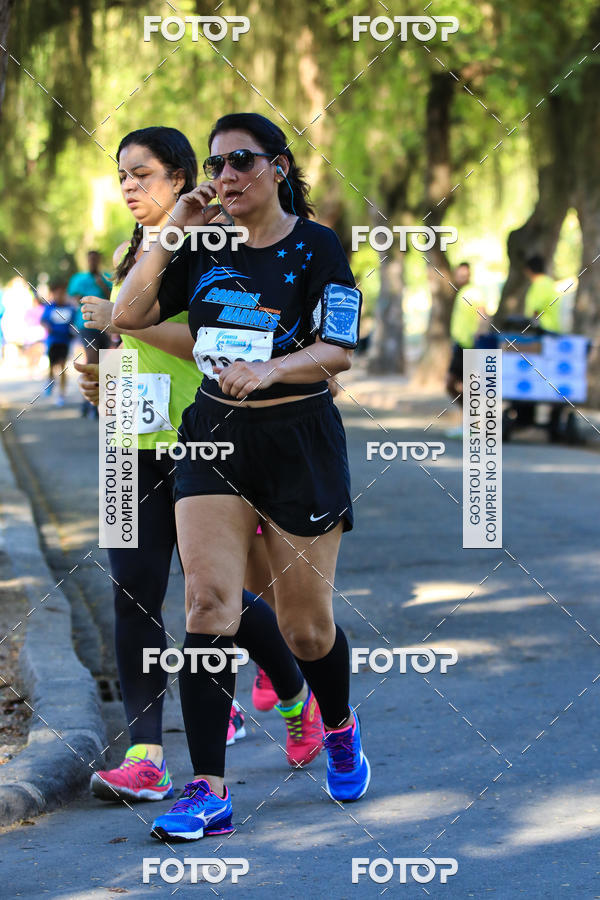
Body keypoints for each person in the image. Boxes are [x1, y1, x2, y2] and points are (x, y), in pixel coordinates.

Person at [113, 112, 370, 843]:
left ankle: (339, 724)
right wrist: (172, 233)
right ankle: (210, 790)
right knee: (208, 603)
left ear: (278, 167)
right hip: (213, 435)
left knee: (304, 628)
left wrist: (271, 369)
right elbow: (128, 313)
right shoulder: (202, 245)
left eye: (241, 162)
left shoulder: (317, 245)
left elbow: (339, 349)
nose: (225, 177)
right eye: (216, 165)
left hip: (299, 440)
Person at [76, 127, 323, 806]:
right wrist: (99, 376)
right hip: (128, 440)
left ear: (181, 178)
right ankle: (146, 756)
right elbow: (121, 340)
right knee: (132, 591)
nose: (129, 187)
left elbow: (214, 342)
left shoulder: (216, 240)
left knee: (214, 597)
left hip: (204, 438)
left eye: (143, 174)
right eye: (122, 175)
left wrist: (124, 322)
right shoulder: (134, 249)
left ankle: (297, 696)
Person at [68, 250, 113, 416]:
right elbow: (73, 298)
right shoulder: (78, 279)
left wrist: (102, 285)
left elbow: (113, 298)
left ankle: (95, 401)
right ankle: (89, 403)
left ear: (99, 260)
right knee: (92, 359)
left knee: (103, 361)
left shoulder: (107, 277)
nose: (93, 262)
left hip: (105, 325)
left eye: (95, 259)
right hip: (86, 325)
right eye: (90, 259)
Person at [446, 262, 486, 404]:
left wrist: (479, 333)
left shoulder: (473, 292)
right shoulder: (462, 292)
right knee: (454, 384)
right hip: (460, 344)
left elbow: (482, 313)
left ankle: (472, 415)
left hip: (469, 345)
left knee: (465, 385)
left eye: (465, 274)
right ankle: (468, 414)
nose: (462, 276)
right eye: (459, 274)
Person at [40, 280, 77, 406]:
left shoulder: (70, 308)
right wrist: (47, 327)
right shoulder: (50, 307)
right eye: (57, 293)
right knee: (52, 367)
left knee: (62, 366)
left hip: (65, 342)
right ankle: (50, 381)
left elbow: (74, 323)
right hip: (53, 341)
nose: (60, 295)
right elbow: (43, 320)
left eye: (62, 293)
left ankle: (61, 394)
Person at [524, 255, 561, 332]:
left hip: (543, 329)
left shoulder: (539, 284)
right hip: (553, 327)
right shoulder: (549, 282)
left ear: (528, 270)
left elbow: (536, 308)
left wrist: (529, 327)